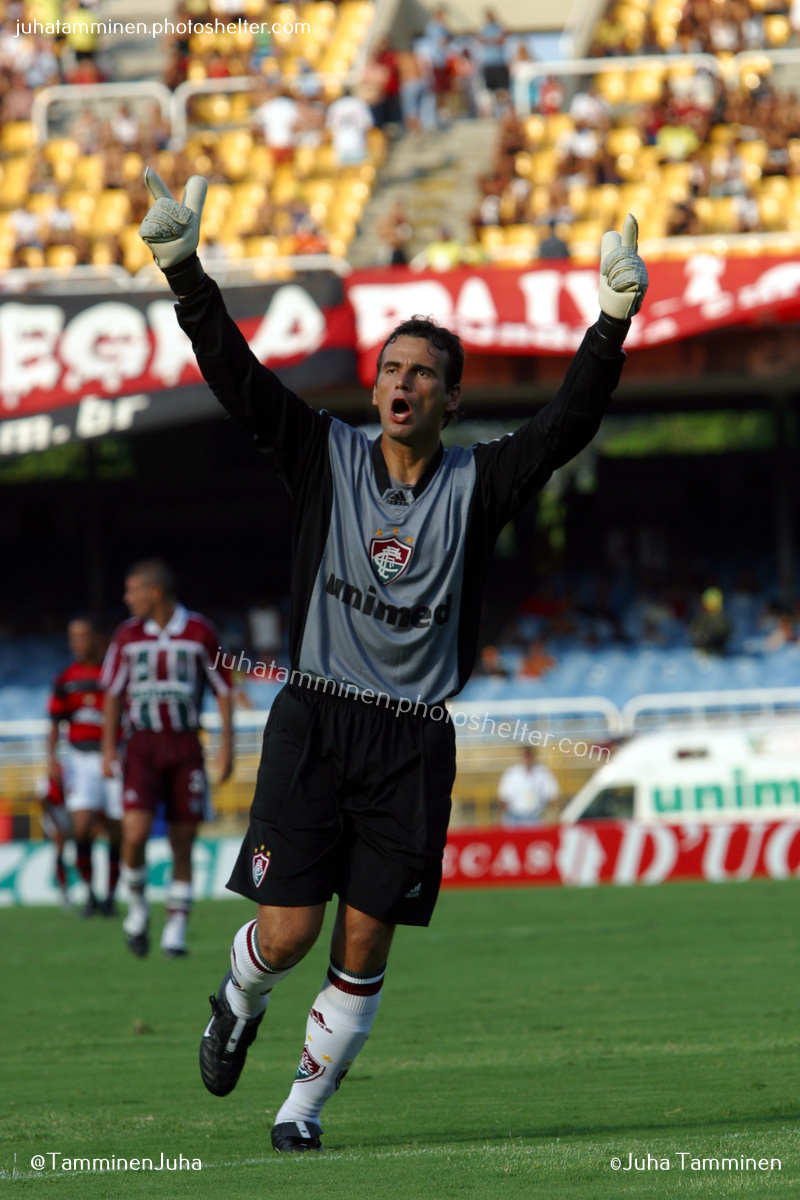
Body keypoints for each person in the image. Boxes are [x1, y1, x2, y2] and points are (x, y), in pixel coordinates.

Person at [137, 167, 648, 1151]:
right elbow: (239, 381)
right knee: (287, 934)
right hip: (315, 718)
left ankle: (300, 1112)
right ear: (373, 389)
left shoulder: (478, 482)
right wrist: (184, 273)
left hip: (412, 742)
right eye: (390, 369)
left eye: (421, 373)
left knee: (364, 941)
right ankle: (237, 999)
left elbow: (564, 429)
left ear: (450, 398)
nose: (401, 383)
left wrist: (609, 326)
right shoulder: (322, 454)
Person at [100, 560, 234, 958]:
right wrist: (108, 747)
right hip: (141, 746)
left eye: (133, 590)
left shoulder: (200, 632)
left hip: (184, 746)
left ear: (154, 592)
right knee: (135, 834)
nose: (127, 598)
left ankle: (176, 928)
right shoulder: (127, 635)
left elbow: (223, 688)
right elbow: (111, 692)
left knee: (183, 839)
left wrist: (227, 746)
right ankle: (137, 910)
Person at [48, 617, 122, 918]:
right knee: (80, 828)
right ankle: (90, 893)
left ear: (97, 638)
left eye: (83, 636)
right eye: (73, 637)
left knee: (117, 831)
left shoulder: (114, 674)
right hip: (80, 759)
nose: (78, 643)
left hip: (114, 757)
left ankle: (111, 896)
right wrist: (51, 759)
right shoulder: (66, 678)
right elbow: (55, 722)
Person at [497, 746, 559, 825]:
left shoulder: (543, 772)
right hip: (515, 819)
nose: (527, 759)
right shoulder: (511, 774)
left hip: (536, 818)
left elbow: (552, 796)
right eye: (525, 756)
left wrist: (556, 816)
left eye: (529, 756)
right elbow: (504, 799)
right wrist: (500, 819)